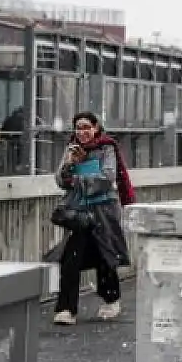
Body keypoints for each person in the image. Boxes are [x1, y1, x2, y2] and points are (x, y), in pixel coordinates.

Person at [48, 112, 132, 326]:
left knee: (105, 255)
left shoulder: (106, 147)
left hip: (103, 211)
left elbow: (108, 177)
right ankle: (66, 308)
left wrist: (79, 174)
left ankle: (111, 299)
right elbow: (60, 180)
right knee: (70, 256)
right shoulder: (72, 148)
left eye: (86, 127)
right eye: (78, 128)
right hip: (80, 213)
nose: (82, 132)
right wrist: (69, 164)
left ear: (96, 128)